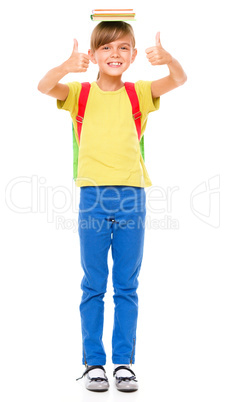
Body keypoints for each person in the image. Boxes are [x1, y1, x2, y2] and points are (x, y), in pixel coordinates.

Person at [38, 21, 187, 392]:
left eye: (123, 48)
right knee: (93, 284)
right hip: (92, 197)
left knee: (126, 284)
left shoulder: (140, 93)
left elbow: (179, 80)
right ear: (94, 55)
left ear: (133, 56)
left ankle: (123, 363)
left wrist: (169, 59)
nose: (115, 54)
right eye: (106, 48)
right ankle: (94, 363)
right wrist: (64, 67)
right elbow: (43, 87)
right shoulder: (78, 93)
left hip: (132, 196)